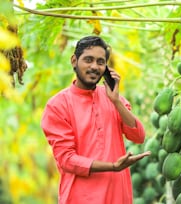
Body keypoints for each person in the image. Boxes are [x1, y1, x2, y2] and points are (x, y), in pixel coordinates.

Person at [41, 36, 151, 204]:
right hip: (79, 198)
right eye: (88, 60)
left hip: (118, 197)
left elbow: (139, 136)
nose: (94, 67)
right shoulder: (57, 105)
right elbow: (67, 160)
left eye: (100, 62)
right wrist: (113, 167)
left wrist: (116, 101)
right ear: (74, 60)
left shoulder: (114, 98)